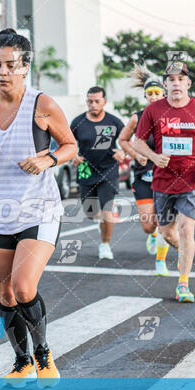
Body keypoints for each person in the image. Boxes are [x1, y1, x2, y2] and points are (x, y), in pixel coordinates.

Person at [0, 28, 77, 386]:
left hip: (38, 210)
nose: (3, 71)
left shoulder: (42, 104)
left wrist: (49, 160)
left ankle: (43, 354)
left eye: (11, 64)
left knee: (24, 286)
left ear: (25, 66)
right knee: (6, 291)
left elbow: (70, 144)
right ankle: (21, 360)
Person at [134, 60, 195, 302]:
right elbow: (139, 141)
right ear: (166, 84)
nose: (176, 83)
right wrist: (153, 156)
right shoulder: (154, 110)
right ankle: (186, 254)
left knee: (186, 229)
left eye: (181, 79)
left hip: (193, 181)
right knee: (168, 233)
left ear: (189, 83)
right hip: (163, 183)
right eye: (171, 80)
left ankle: (183, 284)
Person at [118, 66, 170, 275]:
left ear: (164, 94)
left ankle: (160, 262)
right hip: (143, 177)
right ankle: (152, 235)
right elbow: (122, 139)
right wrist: (135, 154)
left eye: (157, 93)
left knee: (165, 221)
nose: (154, 97)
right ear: (145, 96)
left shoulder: (172, 116)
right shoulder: (137, 118)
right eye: (150, 94)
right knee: (149, 225)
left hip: (166, 176)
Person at [70, 86, 125, 260]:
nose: (93, 104)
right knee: (90, 212)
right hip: (86, 170)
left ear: (104, 102)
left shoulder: (114, 122)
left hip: (108, 170)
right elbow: (68, 144)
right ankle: (101, 219)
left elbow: (127, 141)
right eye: (90, 101)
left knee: (107, 210)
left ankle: (105, 244)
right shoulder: (78, 122)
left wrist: (124, 152)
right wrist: (74, 156)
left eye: (97, 101)